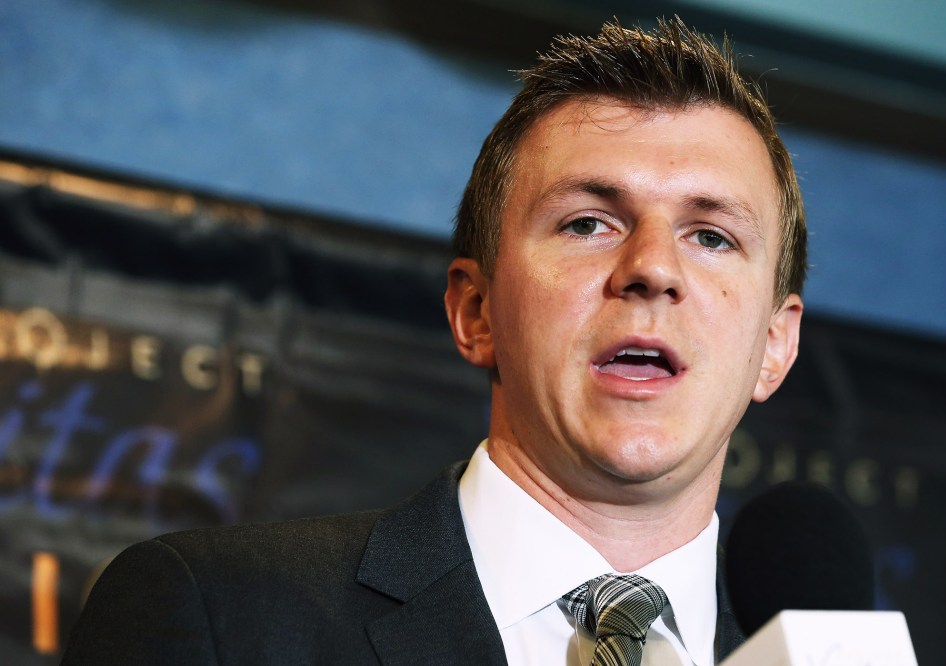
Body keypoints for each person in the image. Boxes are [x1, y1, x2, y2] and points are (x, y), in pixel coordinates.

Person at [62, 16, 806, 666]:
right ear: (475, 312)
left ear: (774, 345)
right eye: (588, 223)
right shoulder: (218, 615)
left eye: (711, 236)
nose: (651, 269)